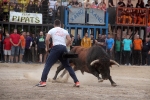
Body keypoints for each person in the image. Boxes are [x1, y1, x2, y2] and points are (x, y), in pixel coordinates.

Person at [36, 19, 80, 87]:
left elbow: (47, 39)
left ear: (54, 24)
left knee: (48, 65)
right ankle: (76, 81)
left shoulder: (52, 30)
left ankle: (43, 81)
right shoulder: (65, 31)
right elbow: (69, 39)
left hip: (56, 48)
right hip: (63, 48)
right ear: (60, 25)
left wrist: (47, 48)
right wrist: (66, 45)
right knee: (67, 66)